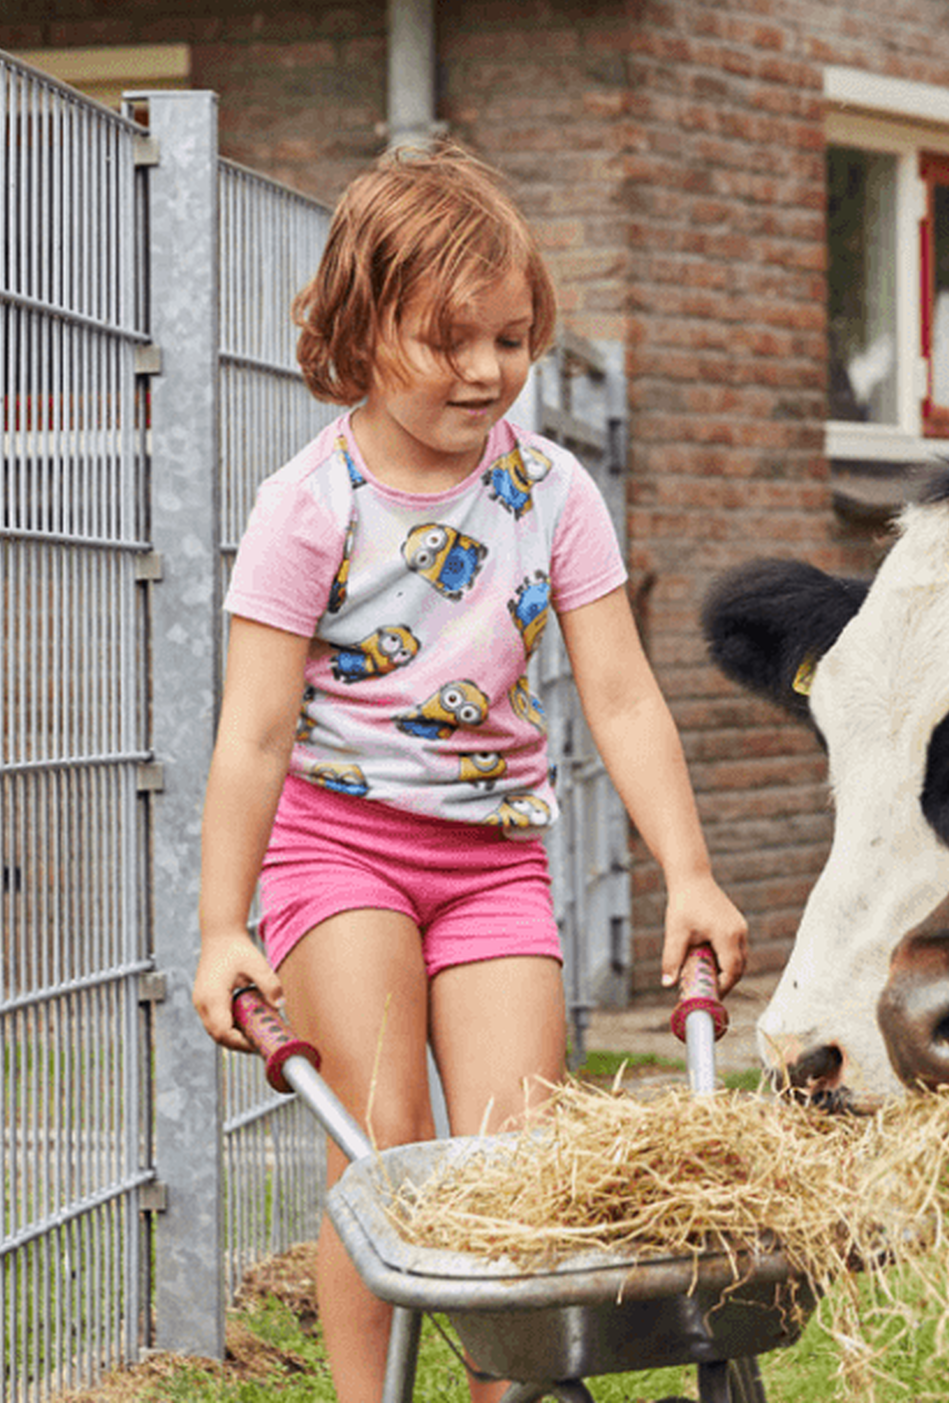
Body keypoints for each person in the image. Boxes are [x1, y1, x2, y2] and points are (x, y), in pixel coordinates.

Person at [190, 142, 749, 1403]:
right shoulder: (308, 506)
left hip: (493, 856)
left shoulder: (549, 491)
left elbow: (619, 693)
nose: (490, 371)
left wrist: (692, 875)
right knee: (381, 1157)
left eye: (512, 338)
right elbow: (255, 735)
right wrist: (225, 926)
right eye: (452, 341)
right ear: (360, 327)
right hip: (340, 852)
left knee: (517, 1167)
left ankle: (517, 1393)